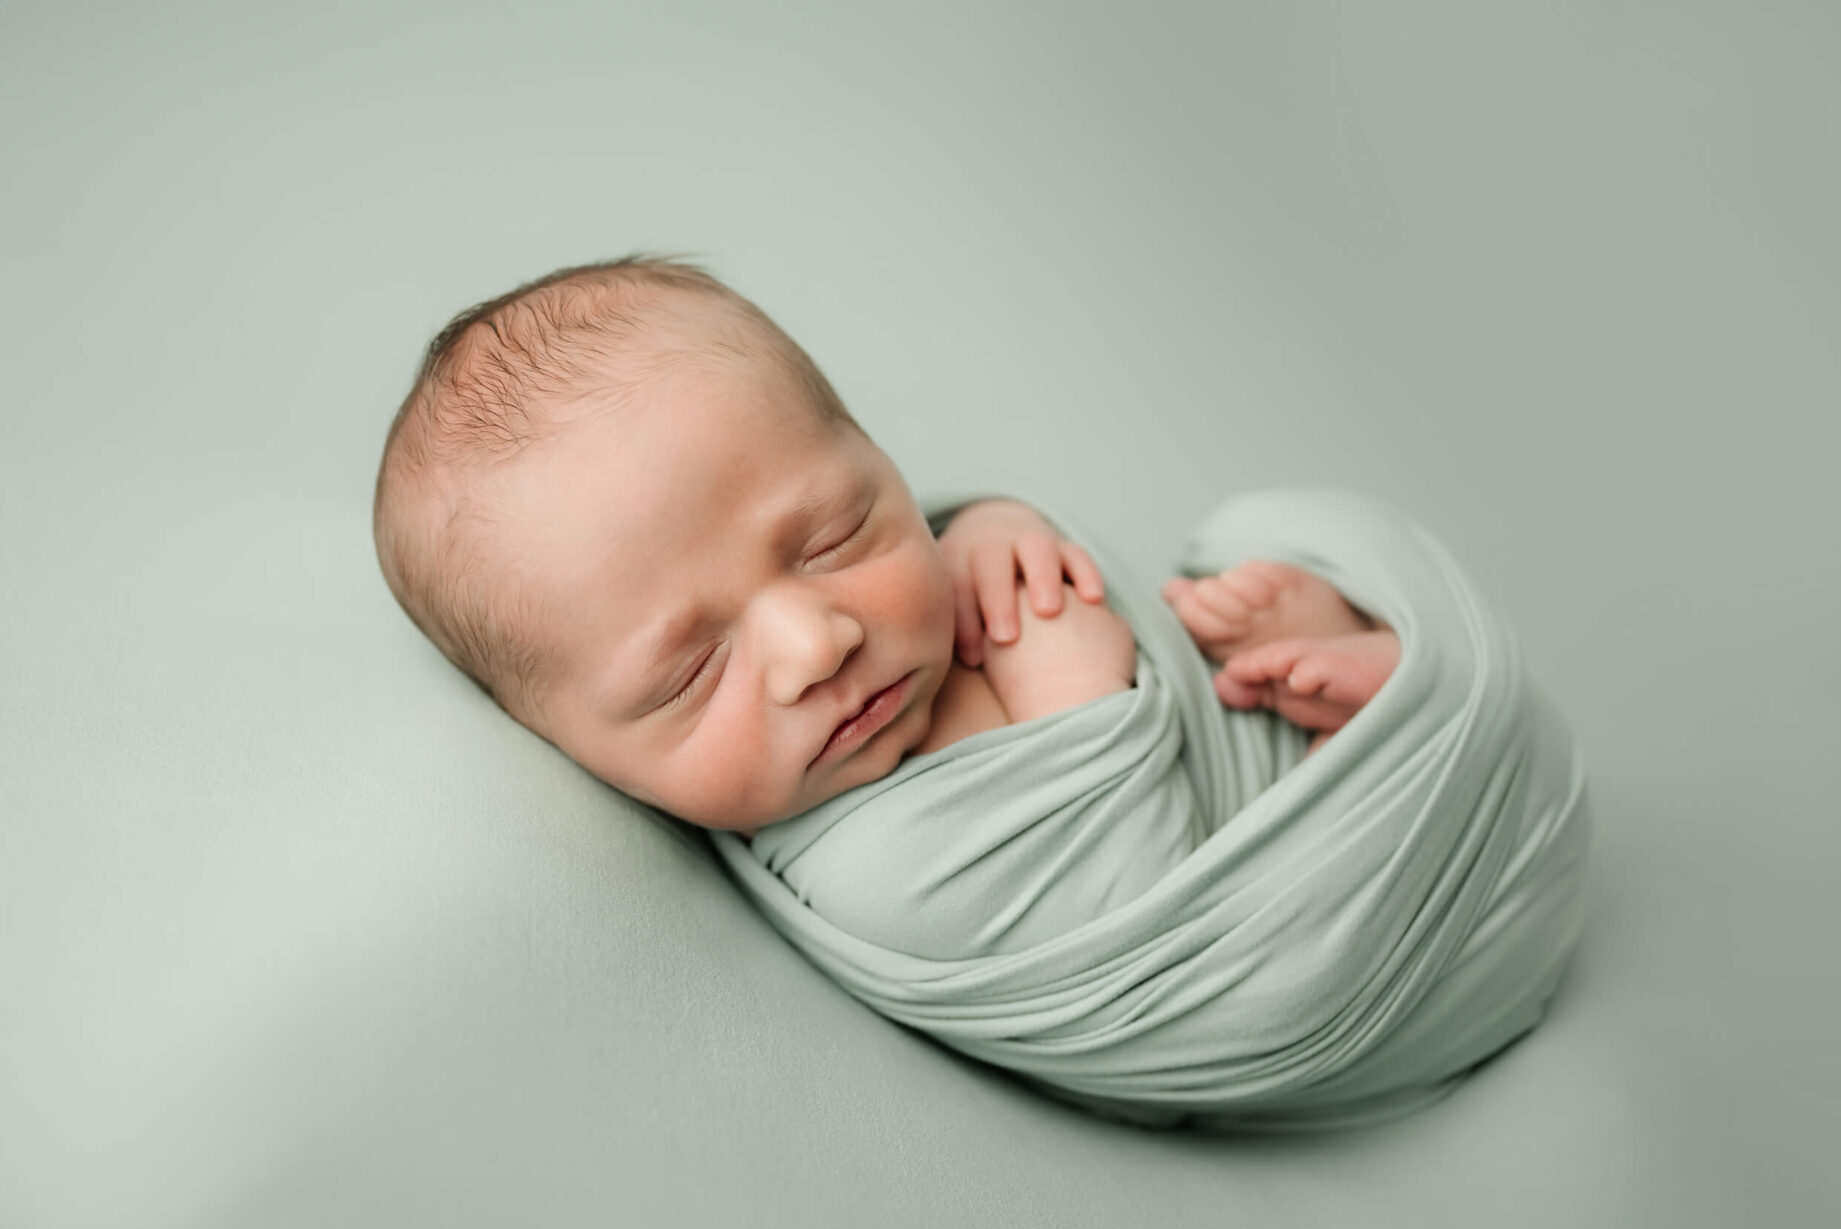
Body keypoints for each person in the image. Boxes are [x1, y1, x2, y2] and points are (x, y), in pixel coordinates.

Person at [372, 254, 1398, 838]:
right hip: (1278, 888)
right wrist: (1074, 702)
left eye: (832, 537)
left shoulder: (925, 599)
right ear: (566, 746)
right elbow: (1144, 971)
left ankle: (1352, 690)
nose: (816, 644)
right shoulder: (885, 863)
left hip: (1226, 728)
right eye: (690, 670)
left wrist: (995, 531)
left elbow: (956, 530)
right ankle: (1369, 732)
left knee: (1283, 531)